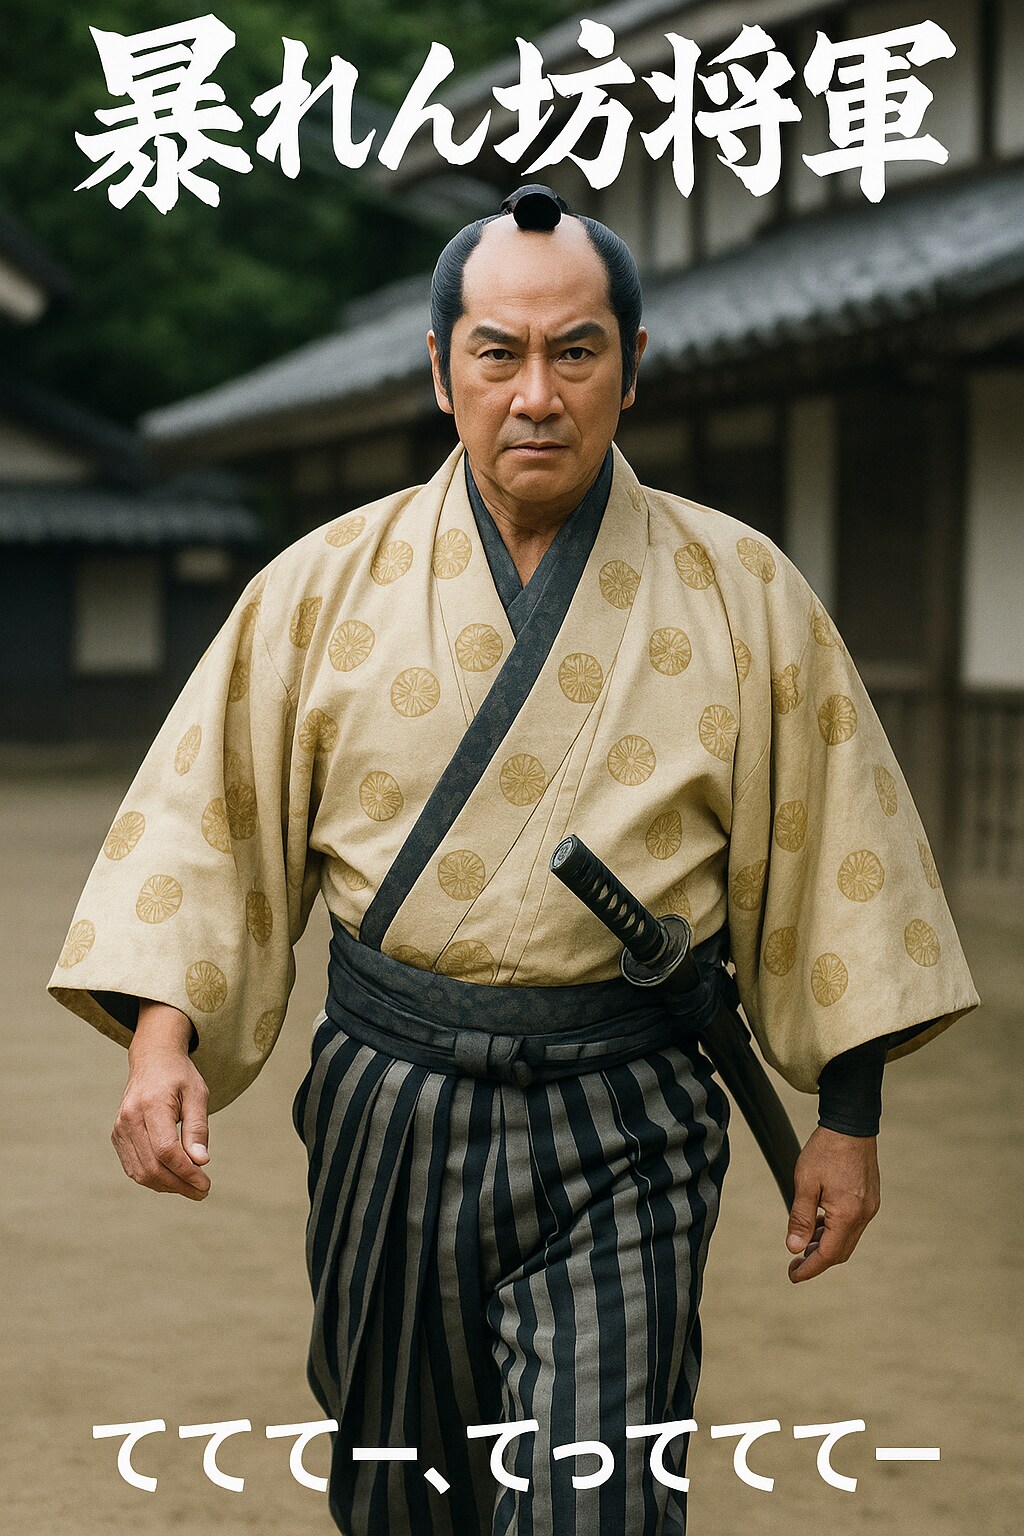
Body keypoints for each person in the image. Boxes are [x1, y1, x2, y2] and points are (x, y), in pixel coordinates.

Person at [49, 184, 979, 1535]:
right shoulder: (319, 587)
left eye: (575, 351)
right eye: (499, 353)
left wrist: (851, 1116)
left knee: (595, 1499)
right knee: (402, 1489)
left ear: (632, 365)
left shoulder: (743, 591)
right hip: (388, 1099)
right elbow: (208, 824)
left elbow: (838, 849)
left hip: (630, 1108)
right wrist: (158, 1046)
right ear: (442, 370)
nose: (537, 395)